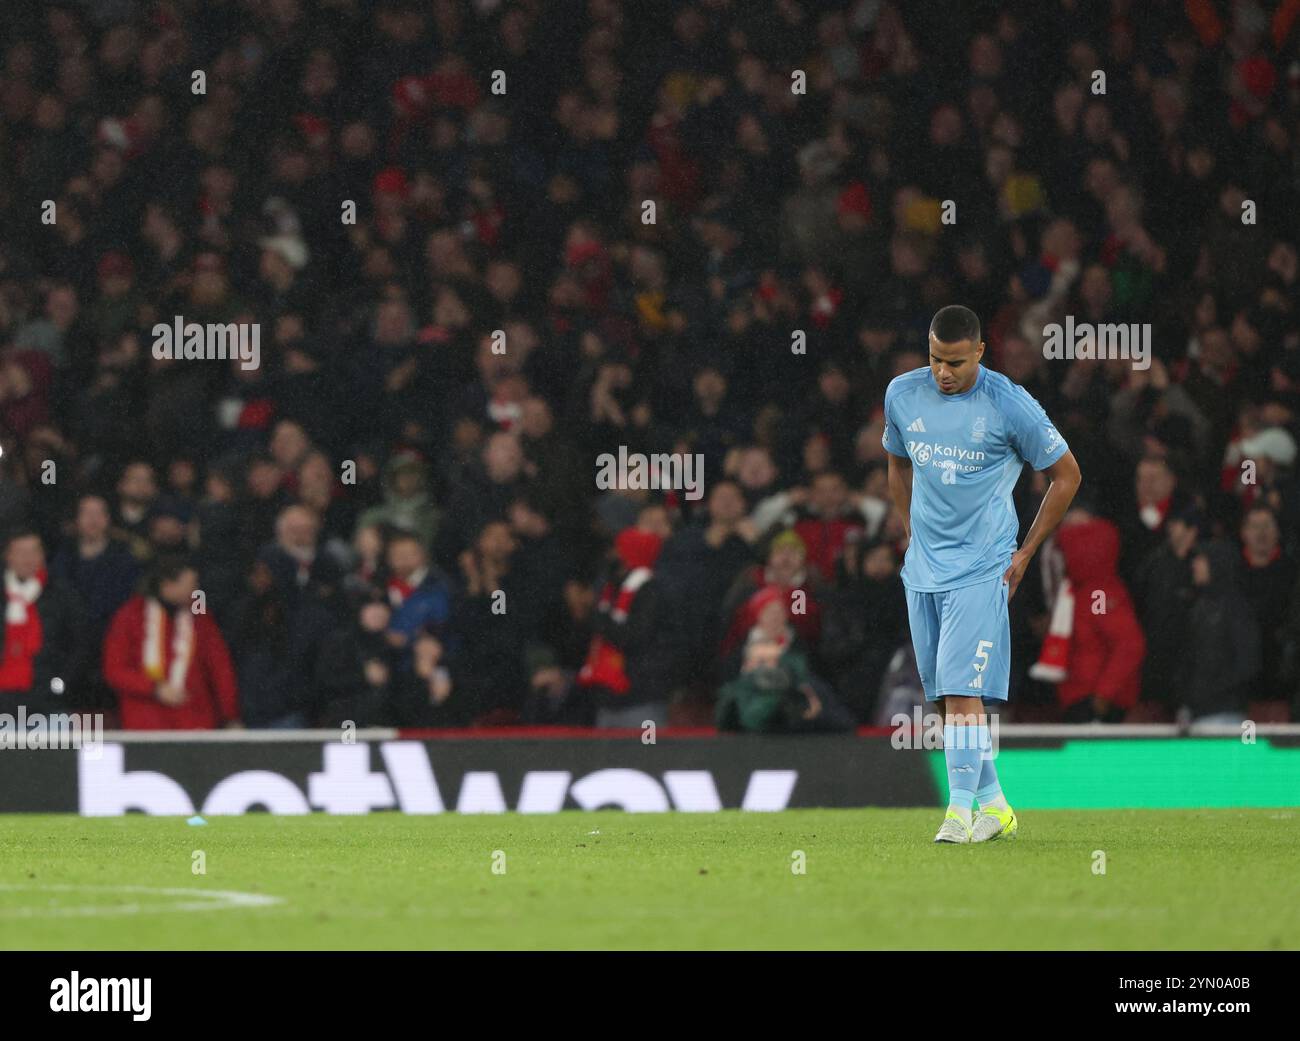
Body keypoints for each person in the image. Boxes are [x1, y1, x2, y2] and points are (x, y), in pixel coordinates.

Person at [884, 305, 1080, 843]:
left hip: (982, 565)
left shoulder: (1008, 404)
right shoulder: (902, 394)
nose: (943, 372)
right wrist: (908, 527)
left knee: (964, 690)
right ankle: (996, 806)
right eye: (934, 360)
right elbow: (897, 461)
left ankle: (958, 813)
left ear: (979, 353)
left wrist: (1024, 554)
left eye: (954, 362)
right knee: (945, 697)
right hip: (924, 566)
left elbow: (1066, 475)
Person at [102, 556, 241, 730]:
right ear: (167, 586)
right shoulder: (130, 616)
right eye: (191, 585)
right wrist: (154, 688)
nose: (196, 590)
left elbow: (220, 669)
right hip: (144, 724)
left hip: (196, 723)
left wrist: (230, 716)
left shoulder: (201, 616)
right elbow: (115, 670)